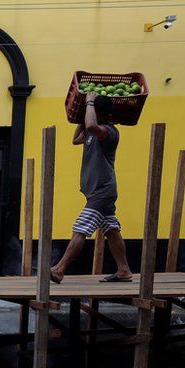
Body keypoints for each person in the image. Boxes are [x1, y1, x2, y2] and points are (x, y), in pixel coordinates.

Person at [50, 93, 133, 283]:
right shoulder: (91, 132)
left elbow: (91, 126)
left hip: (102, 191)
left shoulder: (110, 133)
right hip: (95, 191)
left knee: (81, 228)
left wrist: (88, 103)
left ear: (97, 112)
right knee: (111, 229)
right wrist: (83, 113)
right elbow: (76, 139)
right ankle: (124, 270)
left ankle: (60, 269)